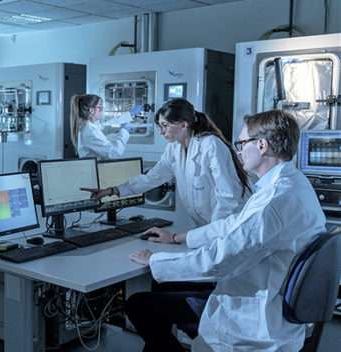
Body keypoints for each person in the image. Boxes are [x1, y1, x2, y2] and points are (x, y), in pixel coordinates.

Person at [126, 110, 326, 351]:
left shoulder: (273, 200)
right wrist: (179, 238)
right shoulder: (292, 183)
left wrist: (155, 260)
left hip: (255, 315)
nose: (238, 150)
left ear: (261, 145)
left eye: (241, 143)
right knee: (167, 285)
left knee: (139, 304)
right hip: (273, 292)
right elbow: (234, 224)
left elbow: (219, 260)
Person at [84, 98, 251, 228]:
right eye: (159, 126)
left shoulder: (210, 145)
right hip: (207, 228)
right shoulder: (174, 149)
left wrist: (213, 233)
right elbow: (151, 178)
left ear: (184, 124)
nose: (162, 132)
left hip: (230, 226)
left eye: (165, 125)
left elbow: (229, 197)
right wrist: (113, 190)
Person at [70, 94, 141, 160]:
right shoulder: (90, 131)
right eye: (100, 107)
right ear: (91, 110)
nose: (102, 110)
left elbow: (105, 126)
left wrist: (129, 114)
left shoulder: (89, 126)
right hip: (93, 169)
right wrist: (125, 131)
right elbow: (114, 152)